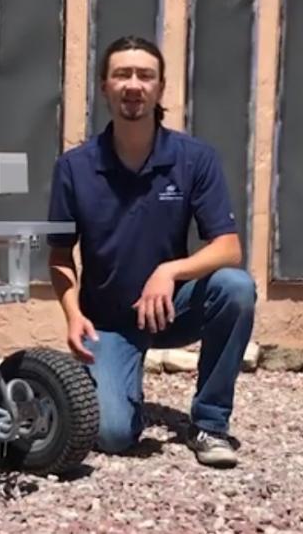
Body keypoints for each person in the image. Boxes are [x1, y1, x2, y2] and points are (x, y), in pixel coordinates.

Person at [46, 35, 256, 468]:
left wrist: (171, 270)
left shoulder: (194, 159)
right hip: (109, 321)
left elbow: (229, 248)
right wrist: (72, 313)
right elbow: (60, 256)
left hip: (170, 309)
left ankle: (210, 424)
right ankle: (125, 397)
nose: (134, 84)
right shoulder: (74, 167)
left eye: (145, 75)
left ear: (160, 88)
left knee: (235, 288)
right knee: (112, 435)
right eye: (122, 74)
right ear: (104, 86)